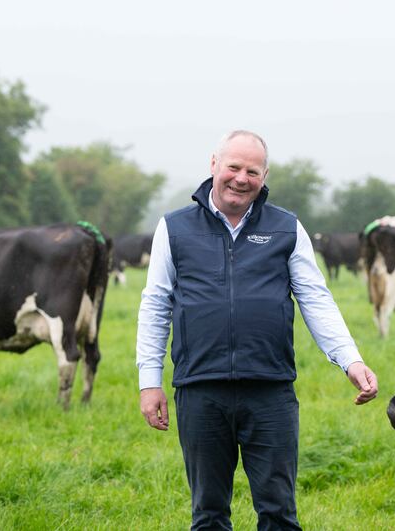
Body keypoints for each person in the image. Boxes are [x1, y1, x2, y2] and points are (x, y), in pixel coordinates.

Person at [137, 130, 378, 530]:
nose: (241, 178)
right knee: (209, 514)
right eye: (233, 167)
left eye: (252, 171)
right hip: (200, 389)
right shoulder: (175, 228)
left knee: (278, 512)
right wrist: (149, 381)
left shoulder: (286, 227)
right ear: (213, 165)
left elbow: (315, 299)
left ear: (264, 176)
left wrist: (350, 360)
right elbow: (155, 304)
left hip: (270, 392)